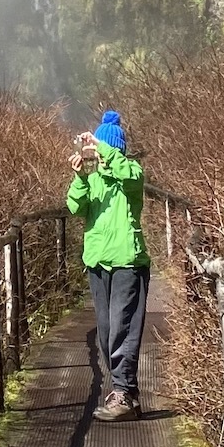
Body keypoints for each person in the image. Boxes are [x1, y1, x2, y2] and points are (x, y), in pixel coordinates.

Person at [66, 108, 150, 420]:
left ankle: (123, 394)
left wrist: (101, 147)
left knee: (122, 330)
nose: (97, 155)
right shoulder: (94, 180)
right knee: (106, 333)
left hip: (128, 262)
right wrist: (79, 177)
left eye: (103, 149)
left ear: (113, 149)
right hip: (98, 263)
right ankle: (126, 392)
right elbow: (75, 207)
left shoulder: (131, 175)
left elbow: (126, 172)